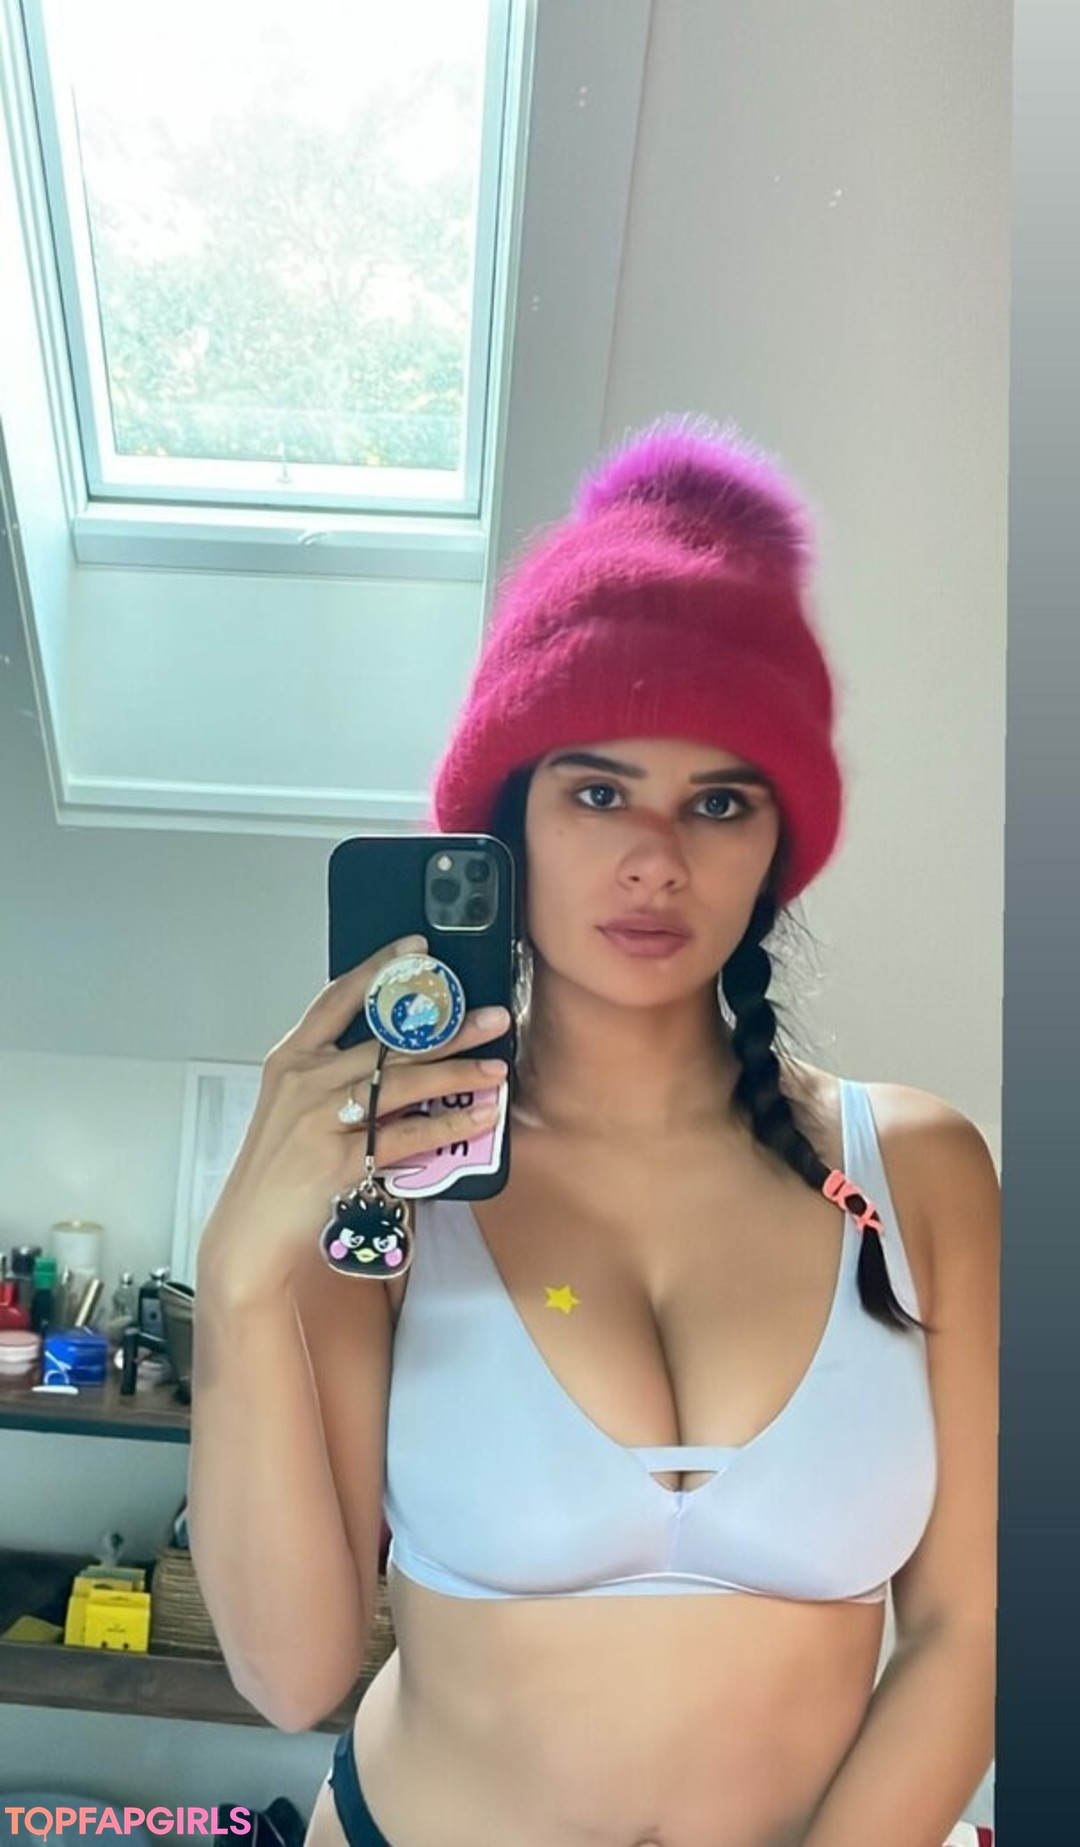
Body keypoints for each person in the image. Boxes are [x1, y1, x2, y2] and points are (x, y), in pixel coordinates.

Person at [188, 419, 998, 1847]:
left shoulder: (919, 1174)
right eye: (599, 790)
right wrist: (242, 1275)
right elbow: (292, 1673)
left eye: (719, 801)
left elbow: (974, 1630)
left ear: (778, 842)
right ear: (508, 823)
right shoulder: (399, 1179)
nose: (654, 859)